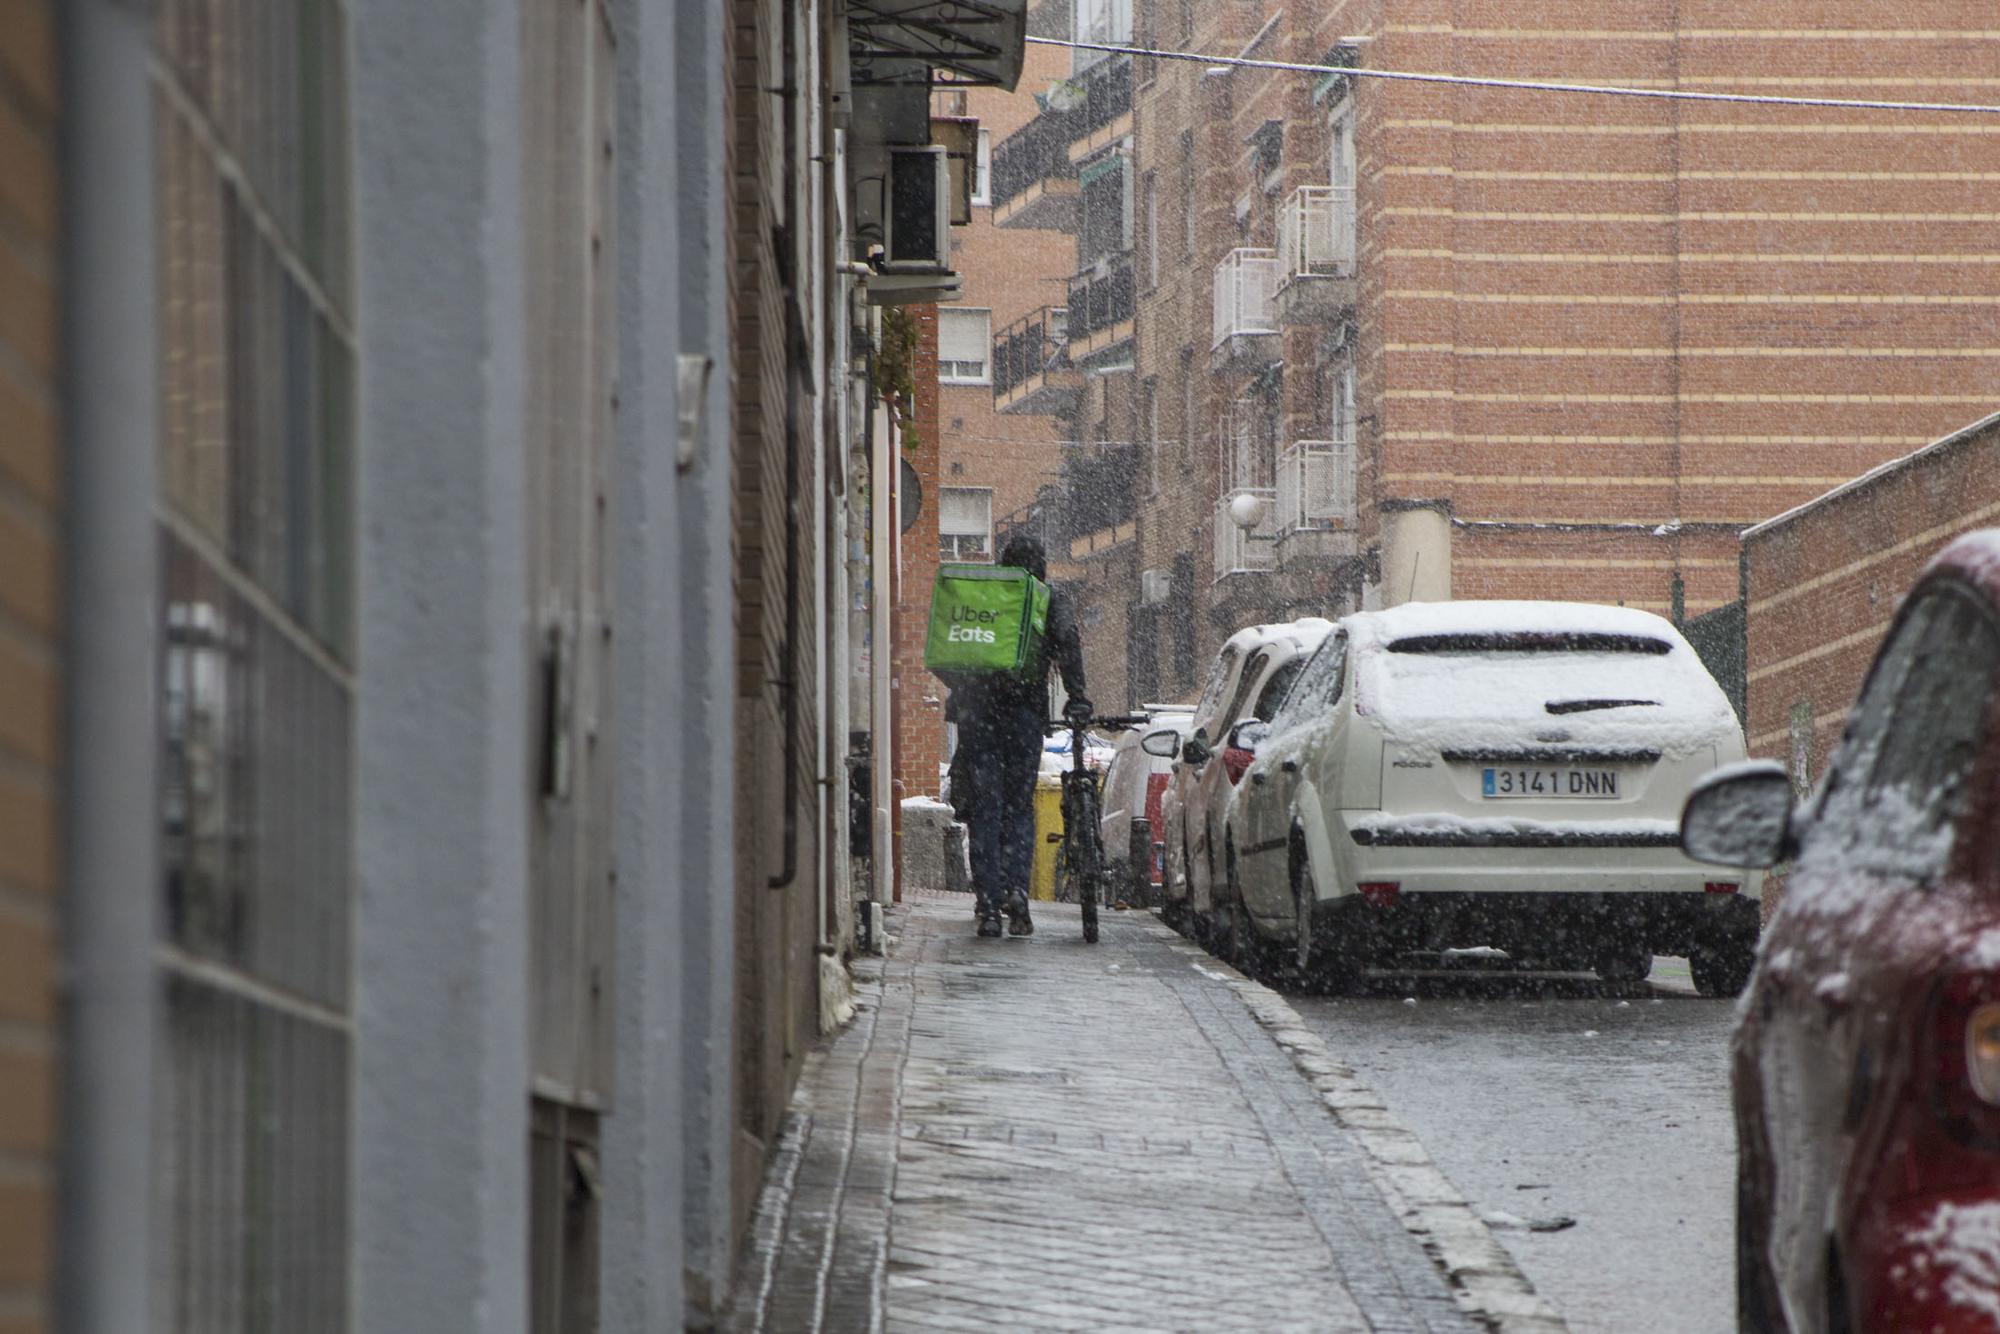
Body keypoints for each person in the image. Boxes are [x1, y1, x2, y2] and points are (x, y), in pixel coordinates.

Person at [947, 534, 1089, 938]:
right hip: (1024, 716)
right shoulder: (1048, 597)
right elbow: (1068, 640)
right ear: (1041, 565)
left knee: (985, 808)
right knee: (1019, 807)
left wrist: (964, 691)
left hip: (979, 717)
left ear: (1003, 562)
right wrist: (1077, 695)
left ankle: (989, 906)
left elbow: (955, 643)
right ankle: (1017, 892)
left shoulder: (985, 594)